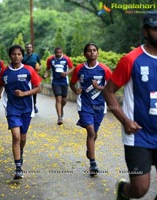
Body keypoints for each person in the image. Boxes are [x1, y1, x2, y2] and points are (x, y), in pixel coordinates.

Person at [103, 11, 157, 200]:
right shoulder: (131, 60)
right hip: (138, 135)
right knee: (140, 189)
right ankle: (123, 191)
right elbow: (108, 91)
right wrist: (125, 121)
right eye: (155, 29)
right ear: (145, 32)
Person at [0, 44, 42, 180]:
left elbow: (38, 88)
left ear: (22, 56)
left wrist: (24, 93)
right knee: (15, 136)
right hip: (11, 108)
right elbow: (0, 85)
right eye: (14, 54)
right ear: (10, 56)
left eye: (19, 54)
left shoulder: (29, 70)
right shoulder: (5, 72)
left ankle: (20, 151)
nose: (16, 56)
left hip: (27, 108)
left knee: (22, 137)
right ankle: (18, 168)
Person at [70, 43, 112, 176]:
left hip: (99, 106)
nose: (92, 53)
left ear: (97, 53)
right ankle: (93, 164)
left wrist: (99, 87)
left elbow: (112, 88)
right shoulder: (79, 69)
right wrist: (75, 89)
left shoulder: (104, 69)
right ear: (85, 54)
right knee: (90, 131)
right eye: (89, 51)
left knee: (94, 134)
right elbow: (72, 83)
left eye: (94, 50)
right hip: (84, 105)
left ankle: (90, 149)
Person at [44, 47, 74, 125]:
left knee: (64, 100)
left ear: (62, 52)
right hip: (55, 81)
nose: (58, 54)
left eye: (60, 53)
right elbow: (48, 68)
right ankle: (59, 117)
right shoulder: (50, 59)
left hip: (64, 82)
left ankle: (61, 108)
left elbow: (72, 68)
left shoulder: (66, 59)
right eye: (57, 53)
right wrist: (46, 74)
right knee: (58, 99)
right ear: (54, 53)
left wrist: (66, 73)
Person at [22, 43, 41, 113]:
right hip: (25, 76)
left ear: (32, 48)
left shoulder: (36, 56)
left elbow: (40, 64)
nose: (29, 48)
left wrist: (39, 68)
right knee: (25, 90)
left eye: (30, 47)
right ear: (25, 49)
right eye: (27, 47)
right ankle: (25, 105)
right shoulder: (23, 56)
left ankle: (34, 105)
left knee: (34, 91)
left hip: (34, 75)